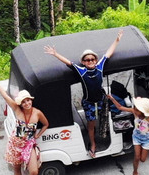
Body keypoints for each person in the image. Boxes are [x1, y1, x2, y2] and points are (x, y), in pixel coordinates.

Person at [44, 28, 123, 157]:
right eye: (87, 60)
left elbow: (108, 53)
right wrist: (55, 54)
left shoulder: (100, 66)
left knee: (105, 118)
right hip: (89, 103)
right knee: (91, 125)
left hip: (101, 99)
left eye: (92, 59)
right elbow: (68, 63)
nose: (90, 61)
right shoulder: (81, 71)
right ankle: (93, 144)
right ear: (83, 62)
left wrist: (117, 40)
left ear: (95, 60)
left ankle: (106, 135)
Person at [0, 70, 49, 175]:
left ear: (31, 100)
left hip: (28, 144)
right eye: (24, 102)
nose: (27, 103)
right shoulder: (17, 110)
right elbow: (5, 96)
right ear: (21, 103)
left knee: (33, 172)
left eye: (28, 100)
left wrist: (38, 134)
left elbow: (45, 124)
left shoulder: (37, 113)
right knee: (17, 168)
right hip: (16, 143)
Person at [108, 78, 149, 175]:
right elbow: (120, 107)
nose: (134, 109)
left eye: (137, 109)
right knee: (137, 156)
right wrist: (112, 98)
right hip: (136, 137)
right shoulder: (134, 112)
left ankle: (137, 167)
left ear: (142, 111)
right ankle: (135, 171)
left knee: (143, 159)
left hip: (147, 139)